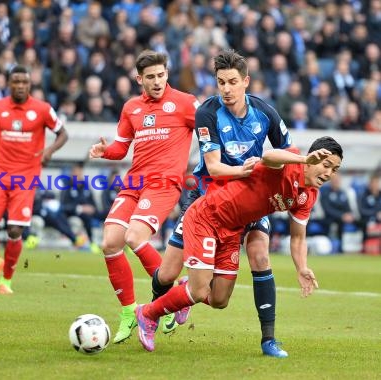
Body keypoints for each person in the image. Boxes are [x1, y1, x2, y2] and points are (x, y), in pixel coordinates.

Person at [135, 137, 344, 352]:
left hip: (233, 230)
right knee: (199, 291)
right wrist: (302, 158)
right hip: (207, 217)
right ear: (311, 160)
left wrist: (302, 268)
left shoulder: (308, 196)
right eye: (325, 165)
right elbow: (268, 156)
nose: (329, 173)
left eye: (334, 169)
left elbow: (298, 237)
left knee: (219, 300)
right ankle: (147, 313)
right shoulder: (291, 161)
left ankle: (184, 291)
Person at [151, 49, 294, 358]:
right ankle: (154, 310)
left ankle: (269, 340)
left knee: (259, 257)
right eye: (220, 83)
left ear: (246, 81)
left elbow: (287, 150)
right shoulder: (208, 112)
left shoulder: (266, 113)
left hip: (251, 201)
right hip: (207, 197)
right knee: (166, 273)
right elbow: (214, 166)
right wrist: (248, 169)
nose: (226, 90)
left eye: (232, 82)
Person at [89, 50, 199, 343]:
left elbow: (210, 128)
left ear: (167, 74)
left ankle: (176, 296)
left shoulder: (186, 103)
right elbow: (121, 147)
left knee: (134, 237)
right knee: (110, 242)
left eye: (161, 75)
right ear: (139, 79)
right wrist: (105, 151)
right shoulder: (132, 108)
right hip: (134, 183)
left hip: (164, 183)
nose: (157, 81)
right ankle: (129, 312)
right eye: (150, 77)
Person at [0, 65, 68, 295]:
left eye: (24, 83)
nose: (20, 86)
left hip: (26, 178)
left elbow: (63, 134)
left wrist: (49, 151)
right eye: (16, 82)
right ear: (9, 84)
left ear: (30, 85)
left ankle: (6, 281)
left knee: (15, 230)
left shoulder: (43, 109)